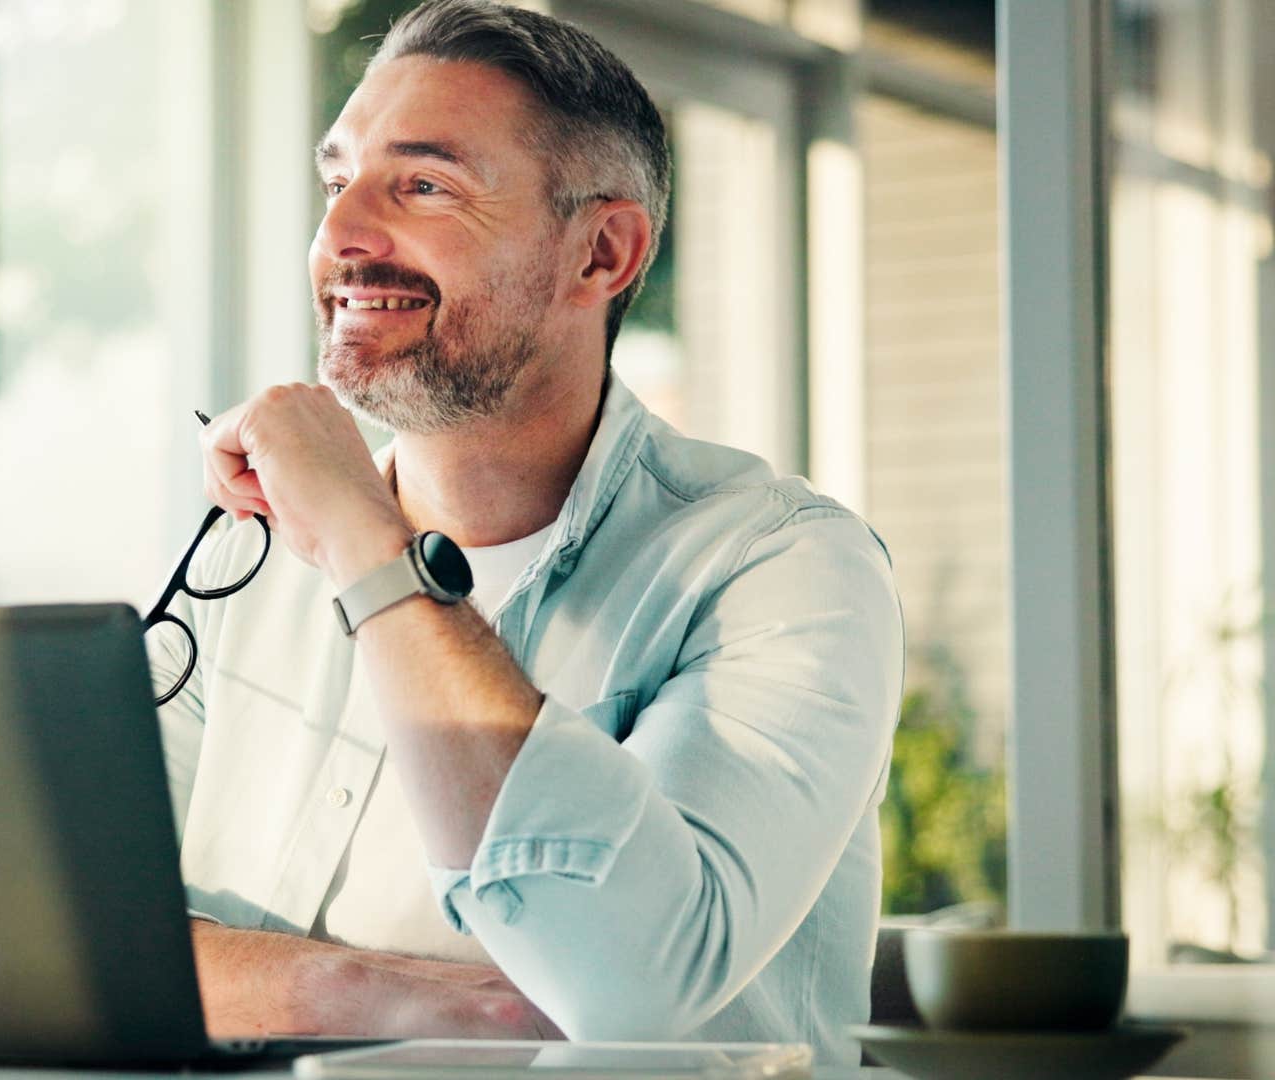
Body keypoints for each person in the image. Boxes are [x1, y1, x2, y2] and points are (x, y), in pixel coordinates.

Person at [152, 0, 903, 1066]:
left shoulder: (783, 569)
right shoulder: (251, 556)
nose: (339, 239)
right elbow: (73, 945)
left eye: (422, 186)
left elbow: (630, 984)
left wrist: (371, 551)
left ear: (601, 252)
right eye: (337, 183)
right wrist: (411, 997)